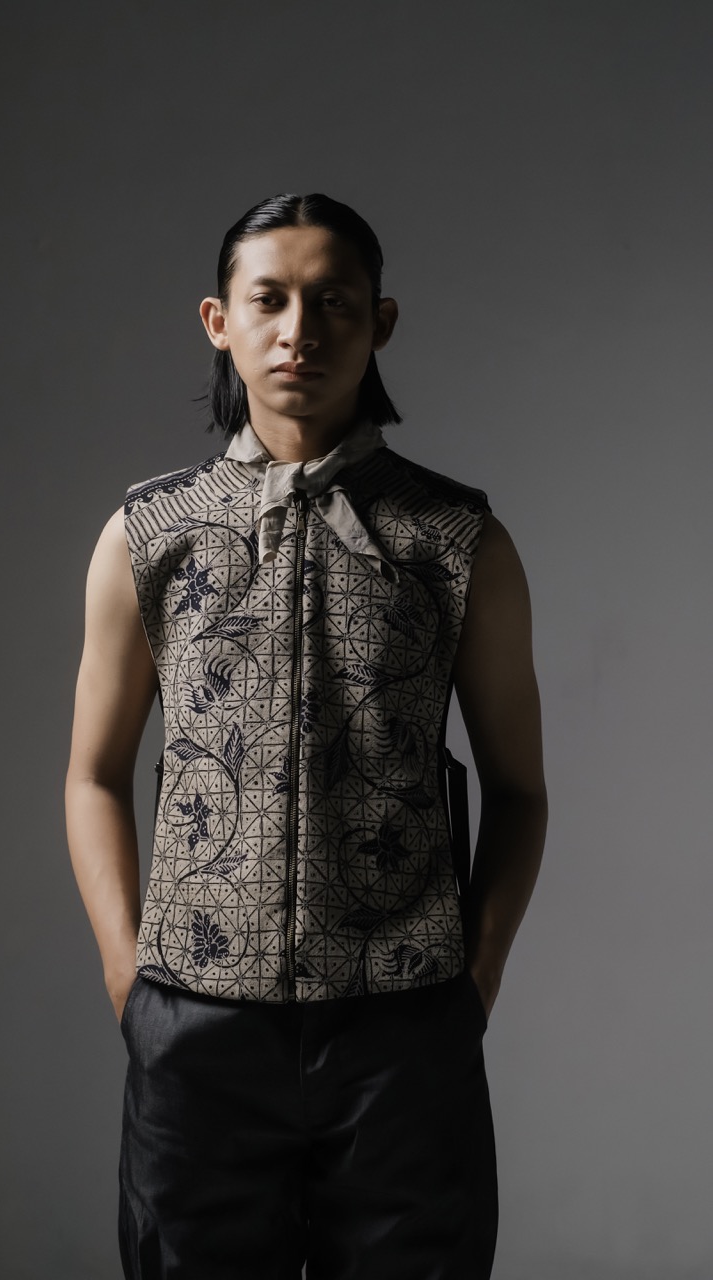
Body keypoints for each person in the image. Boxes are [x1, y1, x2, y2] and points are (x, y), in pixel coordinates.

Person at [64, 192, 548, 1280]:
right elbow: (92, 774)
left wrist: (472, 984)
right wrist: (128, 978)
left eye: (331, 301)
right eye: (269, 300)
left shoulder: (456, 538)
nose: (299, 331)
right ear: (218, 321)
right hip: (194, 1028)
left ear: (379, 322)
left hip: (403, 1028)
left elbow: (519, 791)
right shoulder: (149, 533)